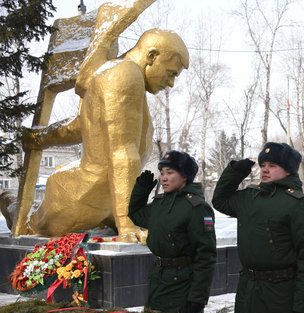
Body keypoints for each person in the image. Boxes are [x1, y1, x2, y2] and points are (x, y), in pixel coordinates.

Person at [22, 29, 189, 242]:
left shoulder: (116, 74)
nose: (171, 83)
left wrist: (40, 138)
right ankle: (6, 200)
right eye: (171, 73)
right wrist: (125, 221)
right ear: (151, 56)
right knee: (31, 225)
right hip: (83, 199)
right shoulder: (125, 74)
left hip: (98, 202)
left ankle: (7, 201)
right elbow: (123, 153)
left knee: (30, 223)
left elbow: (79, 126)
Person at [212, 142, 304, 313]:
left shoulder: (299, 205)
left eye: (272, 166)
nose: (265, 169)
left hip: (280, 295)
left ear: (288, 170)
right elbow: (220, 200)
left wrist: (302, 306)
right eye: (263, 165)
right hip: (249, 291)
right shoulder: (249, 198)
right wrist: (235, 172)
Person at [128, 151, 216, 313]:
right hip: (158, 279)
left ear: (184, 176)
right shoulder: (160, 204)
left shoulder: (197, 208)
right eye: (162, 173)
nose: (163, 178)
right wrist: (141, 190)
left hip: (182, 284)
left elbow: (206, 255)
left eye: (170, 173)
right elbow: (136, 214)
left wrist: (198, 297)